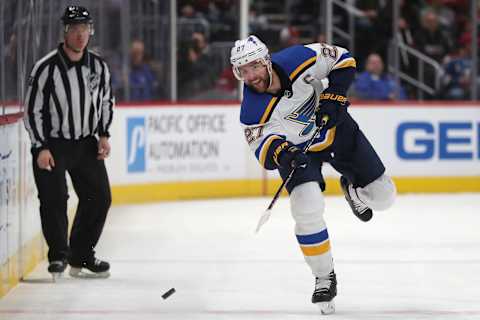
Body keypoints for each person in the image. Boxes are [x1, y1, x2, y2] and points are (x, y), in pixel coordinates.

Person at [230, 35, 396, 314]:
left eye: (254, 67)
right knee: (306, 207)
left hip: (338, 132)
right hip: (298, 154)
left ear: (267, 61)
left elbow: (344, 59)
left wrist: (335, 94)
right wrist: (283, 154)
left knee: (384, 197)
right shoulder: (252, 109)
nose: (251, 76)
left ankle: (353, 190)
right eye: (242, 71)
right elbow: (263, 149)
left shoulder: (298, 58)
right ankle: (323, 276)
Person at [23, 6, 113, 280]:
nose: (80, 34)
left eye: (84, 29)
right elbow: (32, 110)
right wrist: (40, 146)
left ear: (90, 31)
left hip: (85, 143)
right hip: (53, 144)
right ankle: (59, 256)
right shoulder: (46, 67)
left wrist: (104, 134)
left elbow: (107, 100)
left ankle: (81, 254)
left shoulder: (98, 66)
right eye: (74, 29)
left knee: (99, 198)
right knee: (54, 198)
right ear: (65, 32)